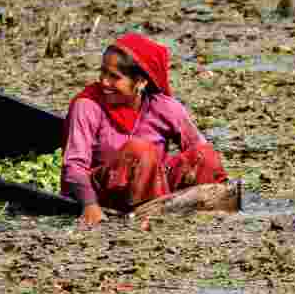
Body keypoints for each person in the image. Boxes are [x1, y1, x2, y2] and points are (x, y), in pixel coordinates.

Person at [61, 33, 228, 228]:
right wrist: (90, 205)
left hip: (154, 189)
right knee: (140, 150)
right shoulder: (87, 106)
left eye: (114, 77)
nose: (104, 82)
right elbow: (73, 166)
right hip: (106, 192)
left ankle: (212, 215)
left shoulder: (164, 107)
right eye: (103, 72)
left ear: (141, 82)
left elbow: (199, 150)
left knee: (205, 155)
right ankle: (148, 220)